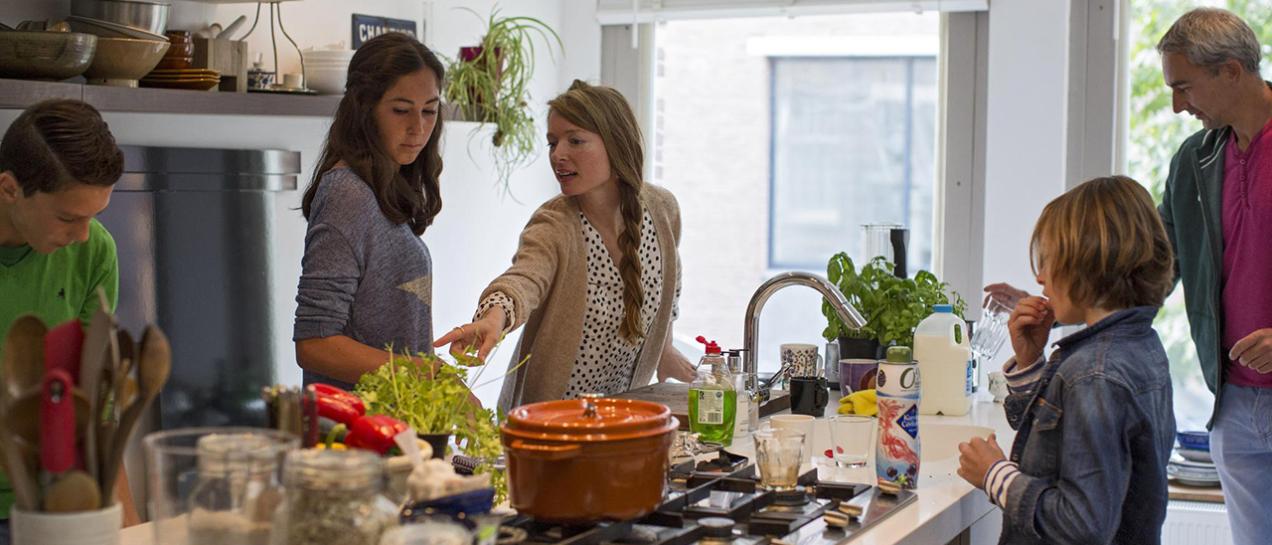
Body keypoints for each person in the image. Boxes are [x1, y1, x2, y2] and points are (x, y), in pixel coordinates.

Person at [984, 8, 1272, 543]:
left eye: (1184, 86)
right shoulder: (1195, 162)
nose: (1176, 104)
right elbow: (1147, 266)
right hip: (1235, 401)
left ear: (1232, 71)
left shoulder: (1103, 374)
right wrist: (1071, 294)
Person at [435, 80, 696, 412]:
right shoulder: (555, 224)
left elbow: (670, 284)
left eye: (575, 140)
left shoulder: (662, 210)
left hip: (626, 419)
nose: (558, 154)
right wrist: (494, 317)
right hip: (551, 425)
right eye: (552, 142)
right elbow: (524, 279)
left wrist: (666, 349)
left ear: (616, 144)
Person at [959, 176, 1176, 544]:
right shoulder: (1140, 347)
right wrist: (1030, 362)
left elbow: (1082, 525)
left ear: (1086, 263)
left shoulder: (1094, 375)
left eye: (1049, 261)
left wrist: (994, 475)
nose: (1040, 278)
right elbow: (1063, 434)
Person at [0, 99, 139, 538]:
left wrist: (128, 525)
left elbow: (94, 402)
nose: (82, 236)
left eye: (93, 217)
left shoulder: (94, 250)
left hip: (58, 501)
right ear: (9, 188)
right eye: (67, 218)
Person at [293, 33, 449, 389]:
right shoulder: (347, 194)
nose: (419, 127)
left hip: (390, 429)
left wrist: (434, 380)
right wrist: (428, 375)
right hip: (351, 435)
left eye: (429, 110)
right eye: (401, 110)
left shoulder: (380, 187)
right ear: (365, 109)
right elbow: (315, 343)